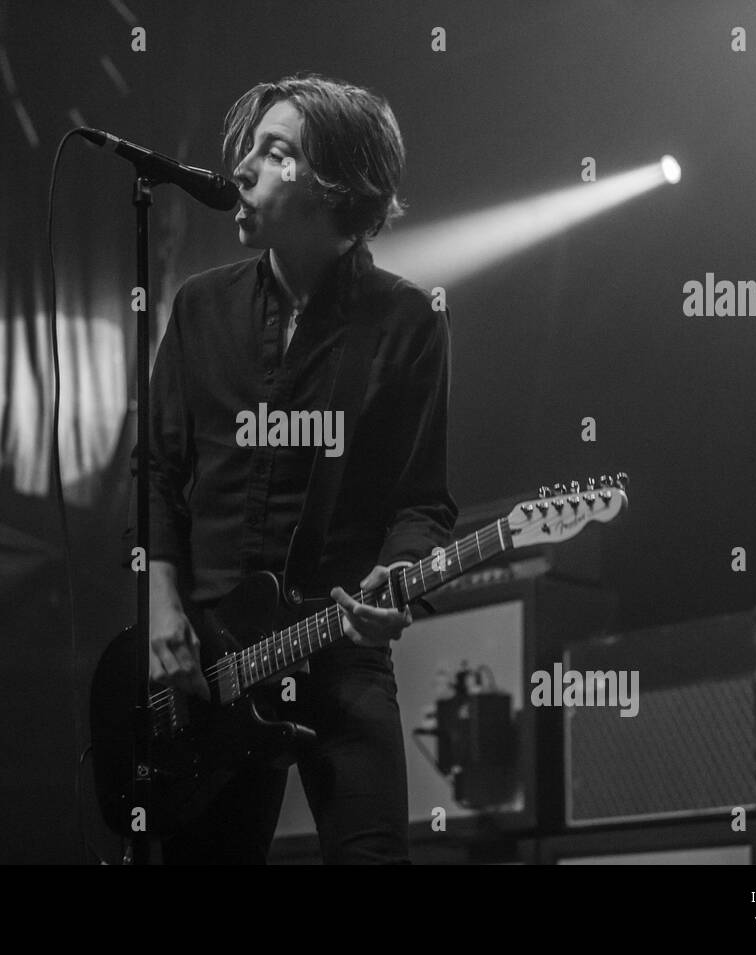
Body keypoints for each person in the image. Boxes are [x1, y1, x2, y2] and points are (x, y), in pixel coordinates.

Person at [144, 74, 456, 864]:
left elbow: (421, 502)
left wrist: (395, 579)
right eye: (247, 147)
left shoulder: (406, 322)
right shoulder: (198, 308)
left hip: (338, 647)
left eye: (274, 151)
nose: (242, 168)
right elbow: (155, 473)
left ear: (335, 187)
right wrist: (160, 606)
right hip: (204, 666)